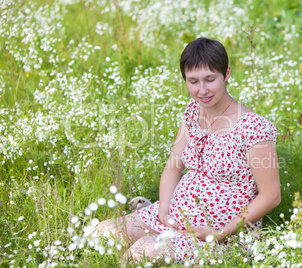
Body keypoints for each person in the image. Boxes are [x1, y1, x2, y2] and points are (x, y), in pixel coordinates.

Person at [95, 37, 281, 265]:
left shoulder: (252, 127)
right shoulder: (194, 111)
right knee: (102, 234)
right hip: (174, 216)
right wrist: (164, 210)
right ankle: (151, 212)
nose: (202, 90)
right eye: (193, 81)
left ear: (227, 74)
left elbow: (271, 196)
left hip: (219, 235)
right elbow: (173, 167)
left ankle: (152, 227)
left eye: (210, 80)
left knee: (139, 255)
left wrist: (220, 233)